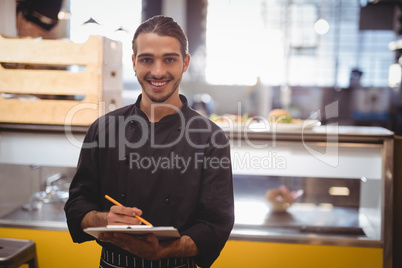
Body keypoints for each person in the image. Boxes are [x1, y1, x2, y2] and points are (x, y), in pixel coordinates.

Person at [64, 15, 234, 268]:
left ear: (185, 63)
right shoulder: (104, 129)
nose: (157, 71)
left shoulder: (210, 138)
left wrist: (162, 251)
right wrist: (102, 219)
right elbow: (78, 204)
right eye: (146, 59)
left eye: (169, 59)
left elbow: (215, 225)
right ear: (133, 63)